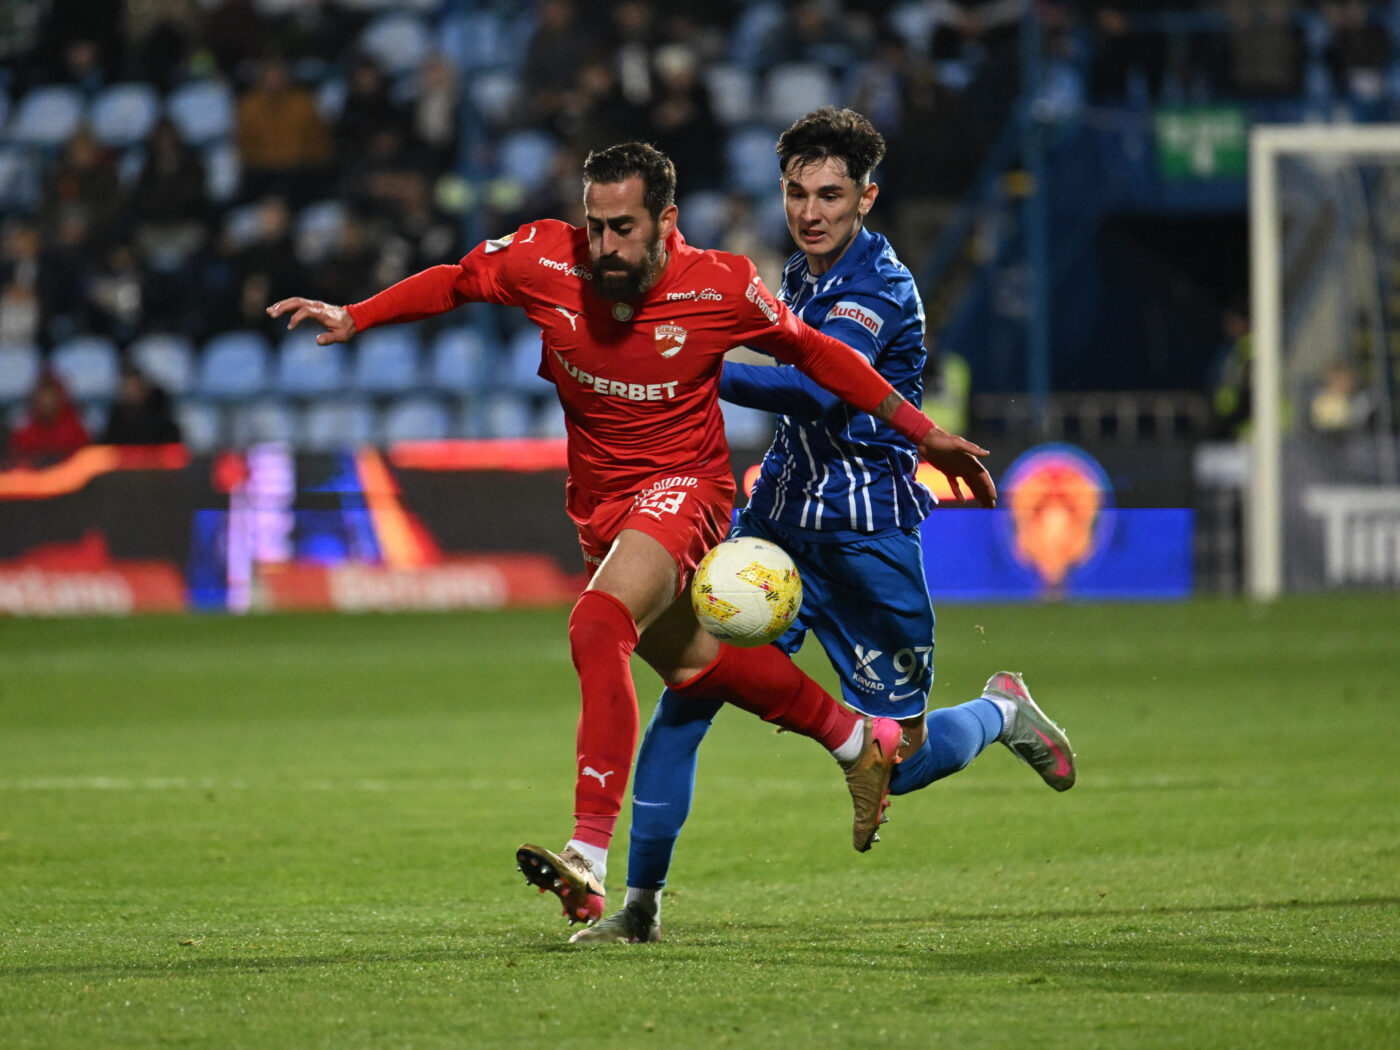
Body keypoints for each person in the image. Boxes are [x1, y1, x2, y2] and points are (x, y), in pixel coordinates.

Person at [267, 141, 996, 929]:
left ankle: (587, 858)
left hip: (687, 491)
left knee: (598, 624)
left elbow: (818, 356)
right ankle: (856, 741)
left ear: (665, 221)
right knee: (698, 666)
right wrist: (357, 315)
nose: (606, 245)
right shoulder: (544, 258)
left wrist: (925, 433)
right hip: (601, 505)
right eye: (596, 225)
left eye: (624, 228)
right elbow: (455, 280)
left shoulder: (720, 284)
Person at [573, 109, 1077, 946]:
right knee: (689, 693)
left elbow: (817, 391)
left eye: (831, 196)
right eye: (797, 193)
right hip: (774, 527)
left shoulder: (879, 288)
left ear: (866, 198)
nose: (810, 213)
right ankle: (641, 906)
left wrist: (691, 363)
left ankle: (999, 712)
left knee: (899, 763)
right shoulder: (796, 276)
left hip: (867, 544)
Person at [8, 369, 90, 465]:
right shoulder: (23, 436)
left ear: (61, 398)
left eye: (51, 395)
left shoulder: (77, 433)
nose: (47, 401)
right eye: (43, 396)